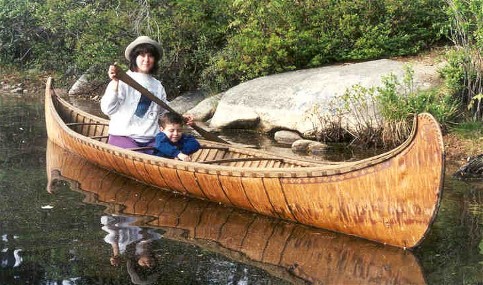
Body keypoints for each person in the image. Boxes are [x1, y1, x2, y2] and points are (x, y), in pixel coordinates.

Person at [101, 36, 193, 153]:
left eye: (150, 56)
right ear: (135, 58)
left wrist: (182, 118)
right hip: (123, 136)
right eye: (142, 55)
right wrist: (115, 82)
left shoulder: (158, 86)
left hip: (151, 139)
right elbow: (108, 109)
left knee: (184, 147)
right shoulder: (122, 80)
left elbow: (163, 113)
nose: (146, 59)